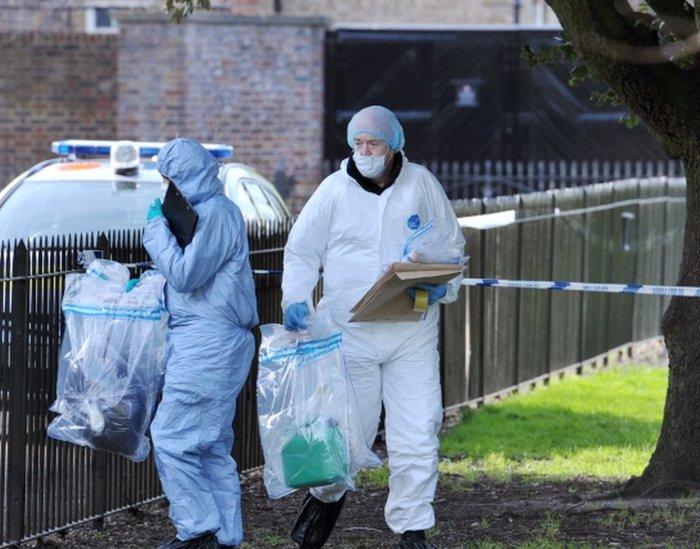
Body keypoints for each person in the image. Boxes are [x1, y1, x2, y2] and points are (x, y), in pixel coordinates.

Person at [281, 106, 465, 549]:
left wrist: (444, 284)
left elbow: (452, 245)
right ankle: (324, 499)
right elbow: (302, 251)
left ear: (394, 145)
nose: (364, 152)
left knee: (417, 430)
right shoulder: (334, 191)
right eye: (357, 144)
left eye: (373, 144)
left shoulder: (420, 184)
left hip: (411, 330)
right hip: (350, 332)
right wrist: (295, 298)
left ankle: (412, 528)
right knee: (347, 432)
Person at [143, 138, 259, 549]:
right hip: (212, 339)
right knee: (208, 445)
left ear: (180, 177)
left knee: (172, 436)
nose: (165, 189)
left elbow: (186, 275)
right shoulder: (214, 212)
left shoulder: (214, 215)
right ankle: (224, 537)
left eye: (167, 179)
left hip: (208, 344)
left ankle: (198, 530)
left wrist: (156, 229)